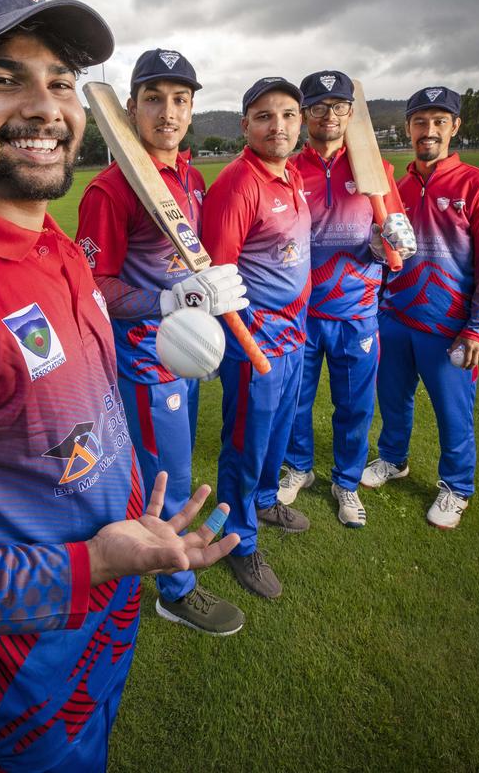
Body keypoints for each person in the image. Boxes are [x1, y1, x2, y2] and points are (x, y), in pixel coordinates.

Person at [0, 0, 240, 773]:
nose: (44, 105)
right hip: (25, 669)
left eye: (60, 81)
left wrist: (136, 532)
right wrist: (92, 564)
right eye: (1, 77)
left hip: (112, 609)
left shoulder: (60, 249)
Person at [76, 49, 247, 635]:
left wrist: (199, 294)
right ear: (131, 107)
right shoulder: (109, 189)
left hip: (187, 350)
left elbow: (183, 261)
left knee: (167, 466)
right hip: (145, 359)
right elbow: (92, 283)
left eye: (179, 99)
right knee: (165, 474)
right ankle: (176, 590)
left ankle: (162, 553)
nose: (167, 112)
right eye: (153, 98)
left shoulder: (191, 176)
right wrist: (166, 301)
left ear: (193, 107)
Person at [361, 86, 479, 528]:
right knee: (393, 399)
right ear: (408, 127)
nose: (429, 130)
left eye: (440, 122)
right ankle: (392, 458)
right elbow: (382, 252)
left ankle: (456, 486)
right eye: (421, 122)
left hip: (449, 324)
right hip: (396, 317)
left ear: (455, 127)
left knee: (452, 410)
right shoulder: (394, 187)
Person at [281, 70, 416, 527]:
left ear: (350, 113)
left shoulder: (375, 170)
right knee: (296, 400)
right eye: (318, 107)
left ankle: (347, 482)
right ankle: (298, 467)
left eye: (340, 106)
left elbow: (394, 242)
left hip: (356, 309)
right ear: (304, 114)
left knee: (355, 404)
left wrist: (386, 243)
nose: (330, 116)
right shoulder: (289, 169)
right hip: (300, 309)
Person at [201, 77, 312, 599]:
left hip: (294, 336)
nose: (279, 125)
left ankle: (266, 501)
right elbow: (216, 278)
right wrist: (243, 345)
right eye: (265, 116)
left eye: (288, 114)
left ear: (300, 122)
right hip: (256, 343)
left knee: (278, 434)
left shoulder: (289, 178)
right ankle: (241, 542)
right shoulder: (239, 183)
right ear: (245, 125)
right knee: (246, 444)